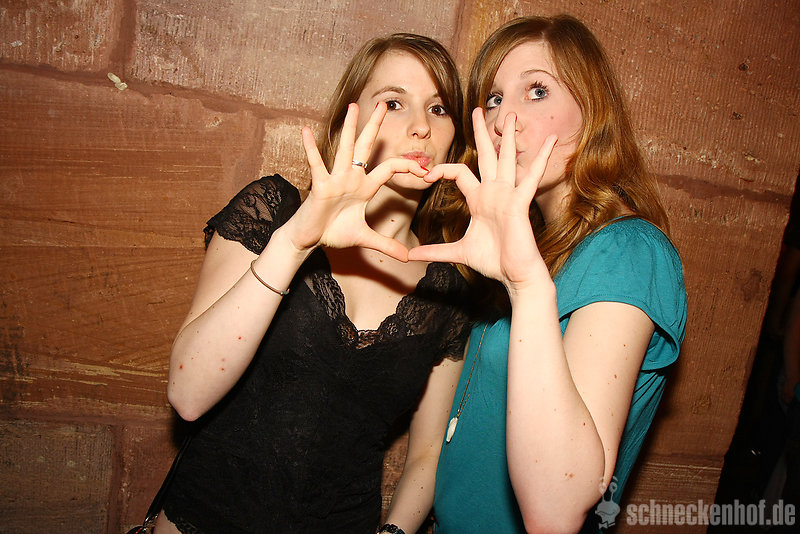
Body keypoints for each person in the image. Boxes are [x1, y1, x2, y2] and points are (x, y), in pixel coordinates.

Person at [153, 33, 471, 534]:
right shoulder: (273, 213)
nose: (420, 127)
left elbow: (428, 453)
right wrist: (295, 243)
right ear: (350, 121)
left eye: (438, 108)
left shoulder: (445, 291)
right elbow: (187, 394)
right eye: (393, 102)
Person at [408, 14, 688, 533]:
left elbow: (556, 511)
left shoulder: (628, 251)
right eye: (494, 99)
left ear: (593, 111)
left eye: (537, 91)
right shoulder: (534, 245)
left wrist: (525, 284)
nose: (503, 120)